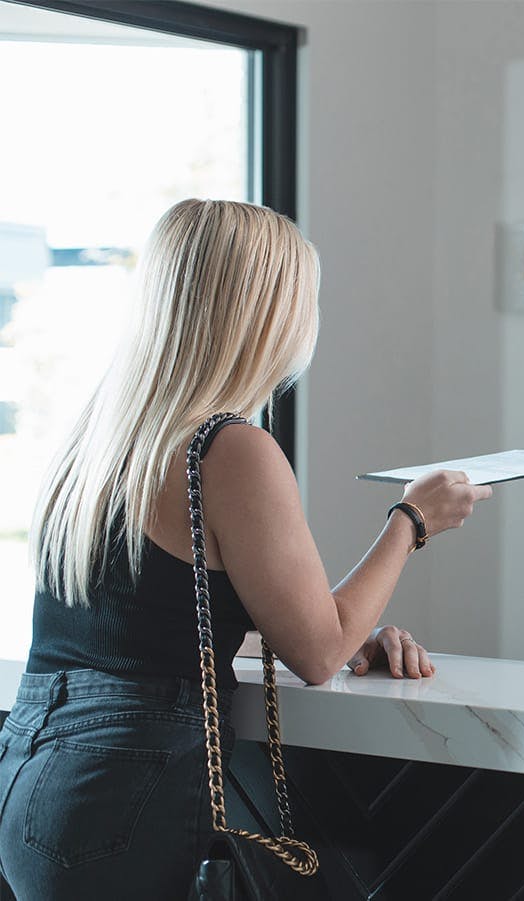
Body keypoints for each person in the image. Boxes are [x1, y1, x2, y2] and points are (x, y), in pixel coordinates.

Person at [0, 199, 491, 898]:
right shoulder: (228, 450)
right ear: (268, 315)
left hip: (33, 778)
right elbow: (318, 653)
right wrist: (412, 518)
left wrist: (347, 625)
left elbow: (155, 615)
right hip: (123, 798)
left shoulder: (97, 440)